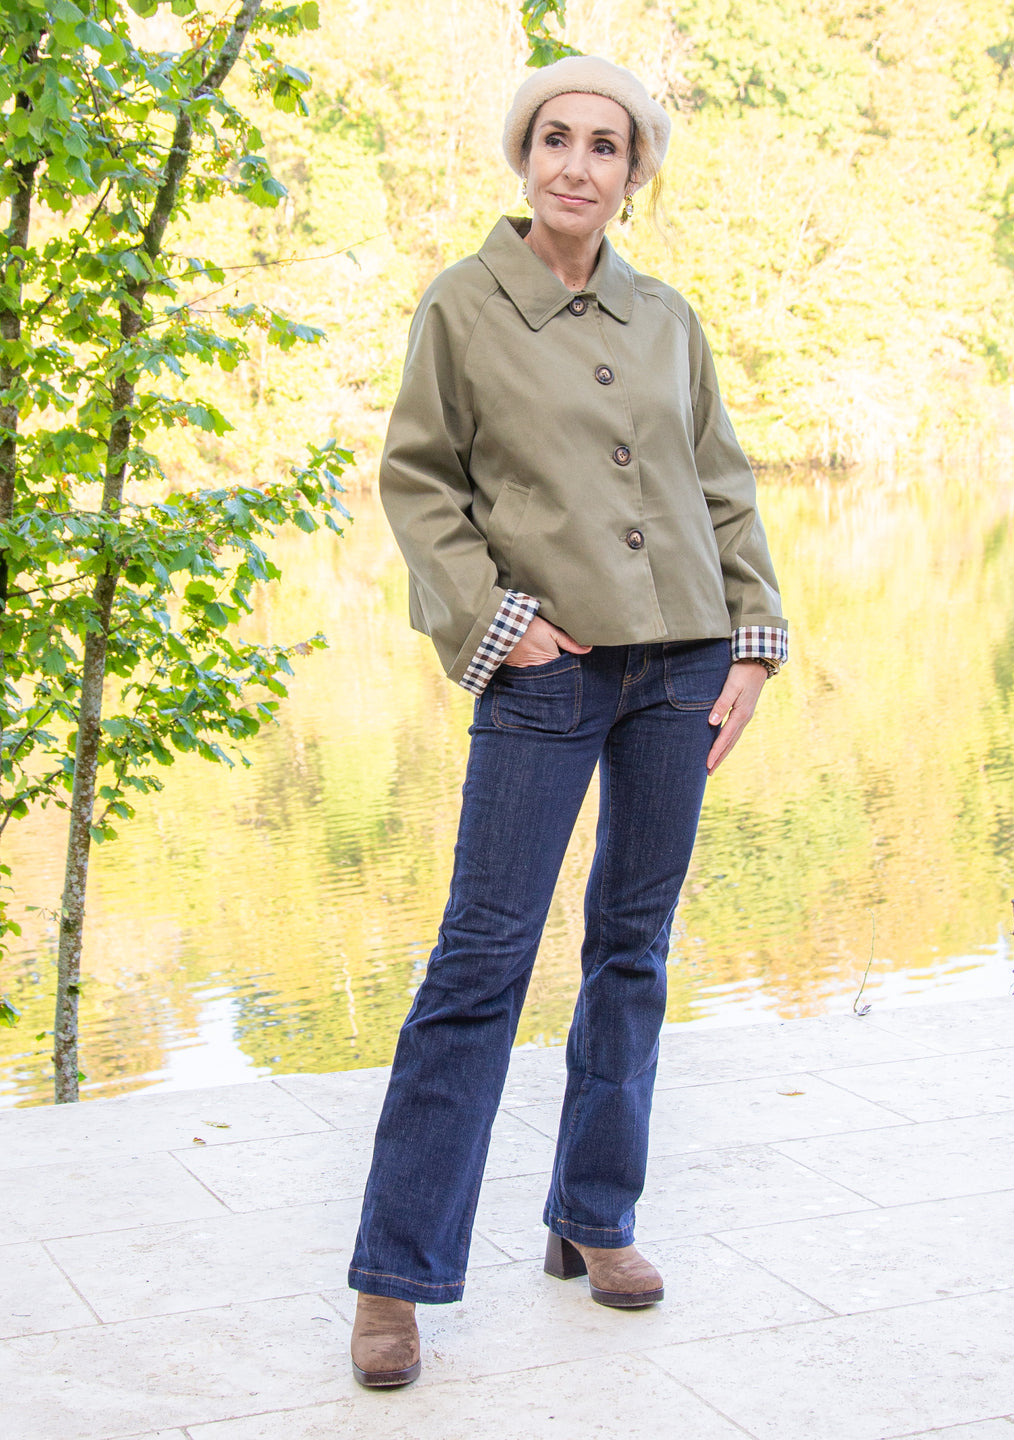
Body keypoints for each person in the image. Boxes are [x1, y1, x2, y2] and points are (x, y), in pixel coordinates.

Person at [347, 54, 787, 1388]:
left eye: (605, 144)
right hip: (545, 673)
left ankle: (595, 1217)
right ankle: (394, 1277)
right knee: (479, 964)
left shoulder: (666, 316)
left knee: (633, 948)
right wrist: (498, 625)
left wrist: (752, 645)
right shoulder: (463, 305)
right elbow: (419, 484)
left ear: (634, 172)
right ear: (523, 155)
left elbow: (722, 483)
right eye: (555, 138)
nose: (576, 164)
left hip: (681, 670)